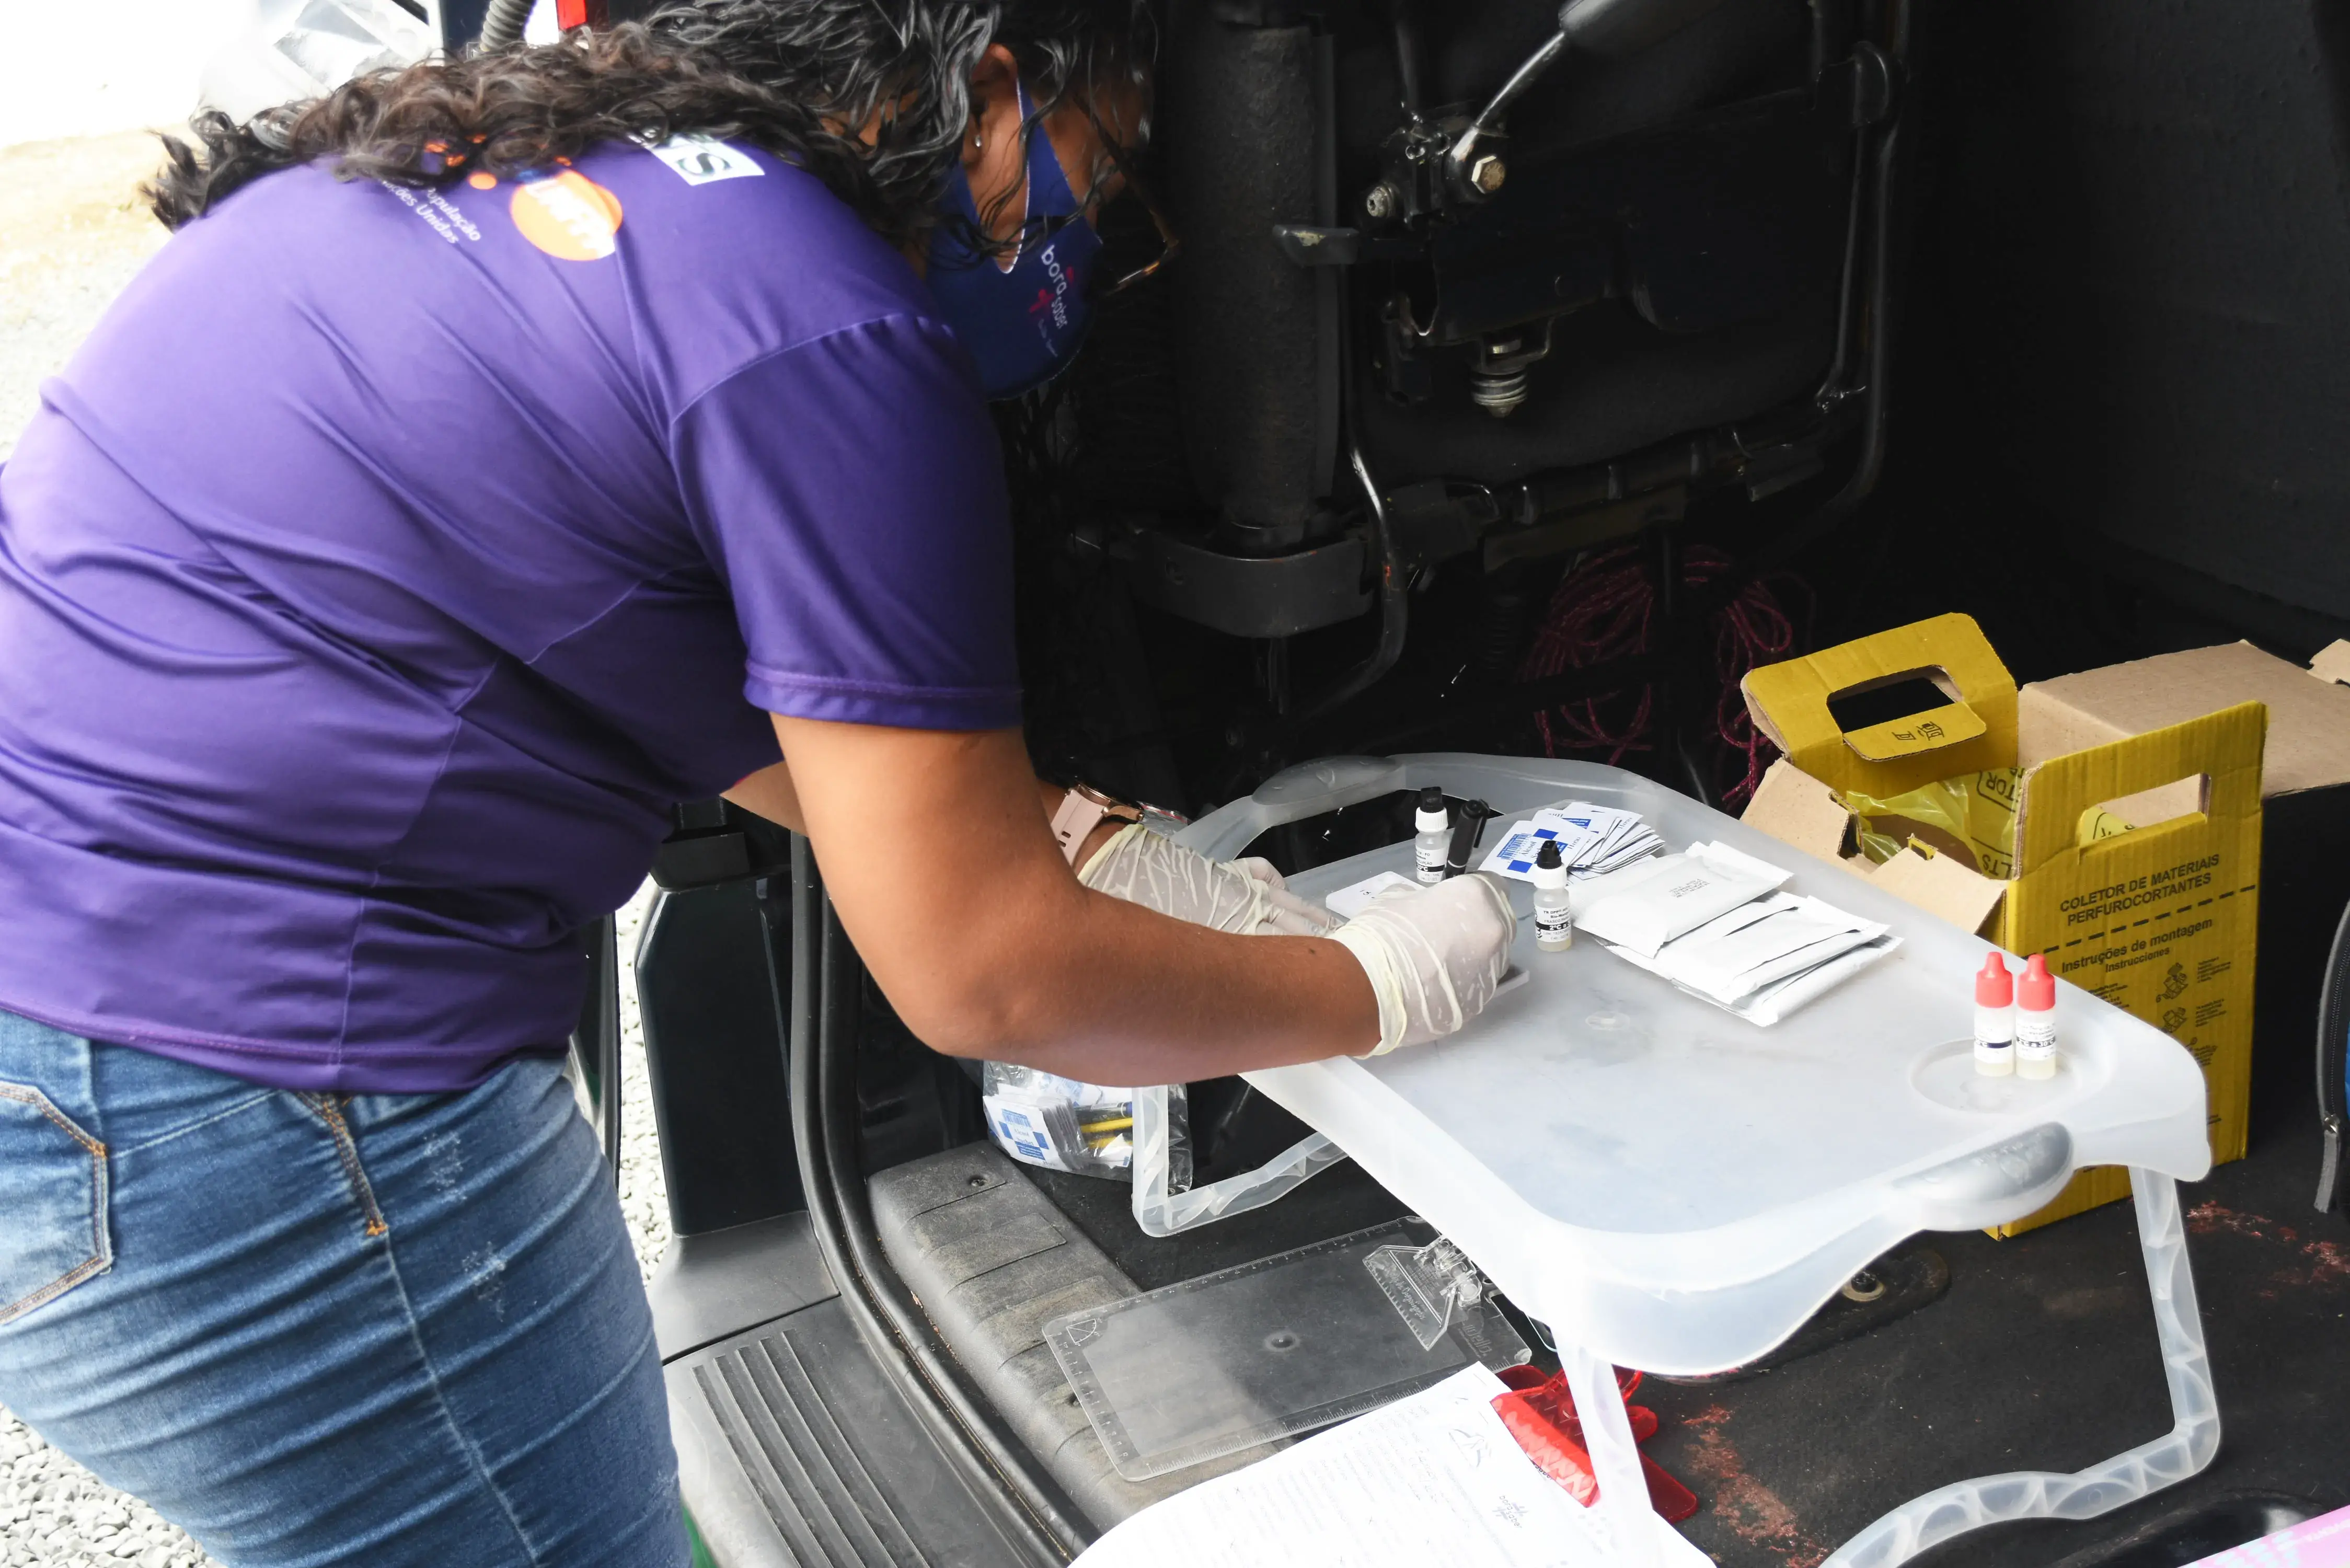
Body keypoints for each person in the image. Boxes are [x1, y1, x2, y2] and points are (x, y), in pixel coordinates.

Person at [0, 1, 1515, 1562]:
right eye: (1109, 166)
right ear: (995, 85)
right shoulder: (821, 319)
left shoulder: (488, 171)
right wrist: (1373, 986)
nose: (1107, 244)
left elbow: (675, 684)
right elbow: (983, 978)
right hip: (243, 1105)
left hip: (71, 1062)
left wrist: (1076, 840)